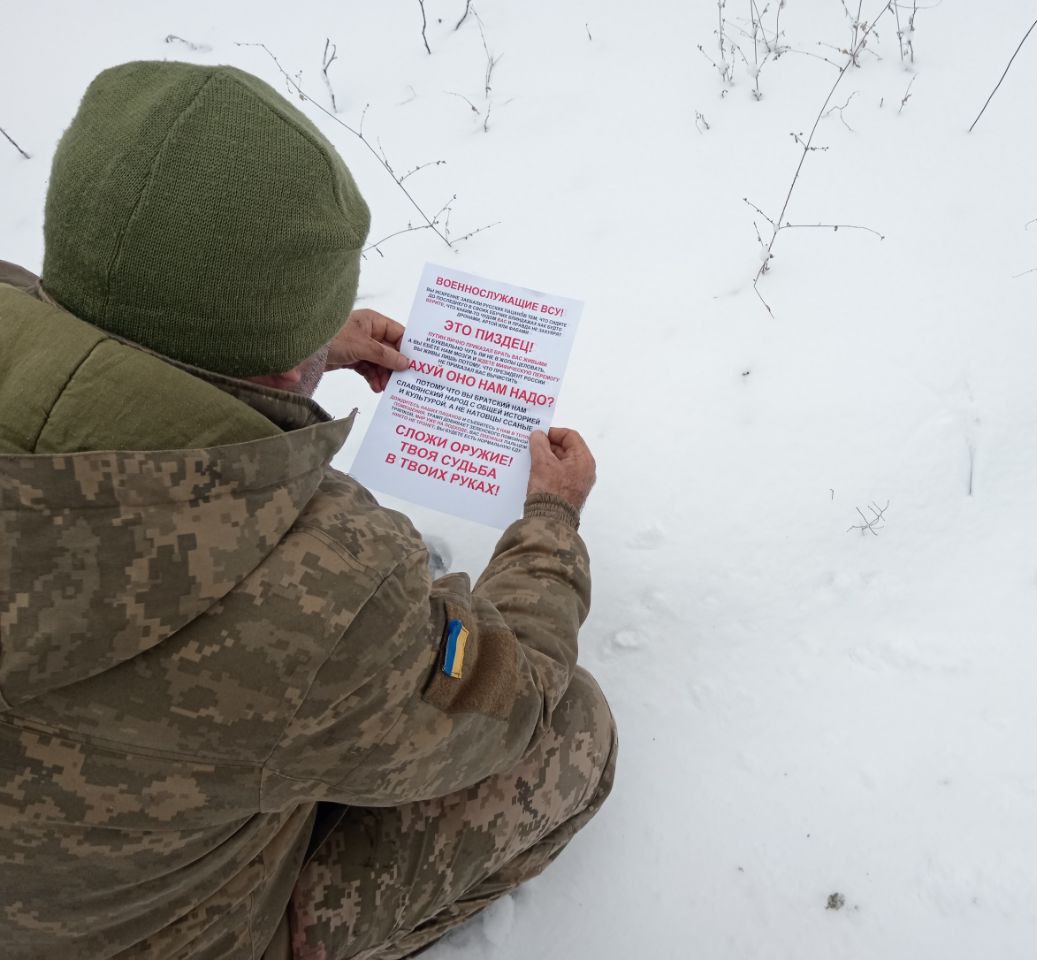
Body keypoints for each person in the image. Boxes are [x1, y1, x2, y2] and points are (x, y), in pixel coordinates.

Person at [0, 60, 616, 960]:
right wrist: (551, 528)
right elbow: (509, 700)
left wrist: (278, 349)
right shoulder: (320, 588)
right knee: (571, 733)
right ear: (290, 355)